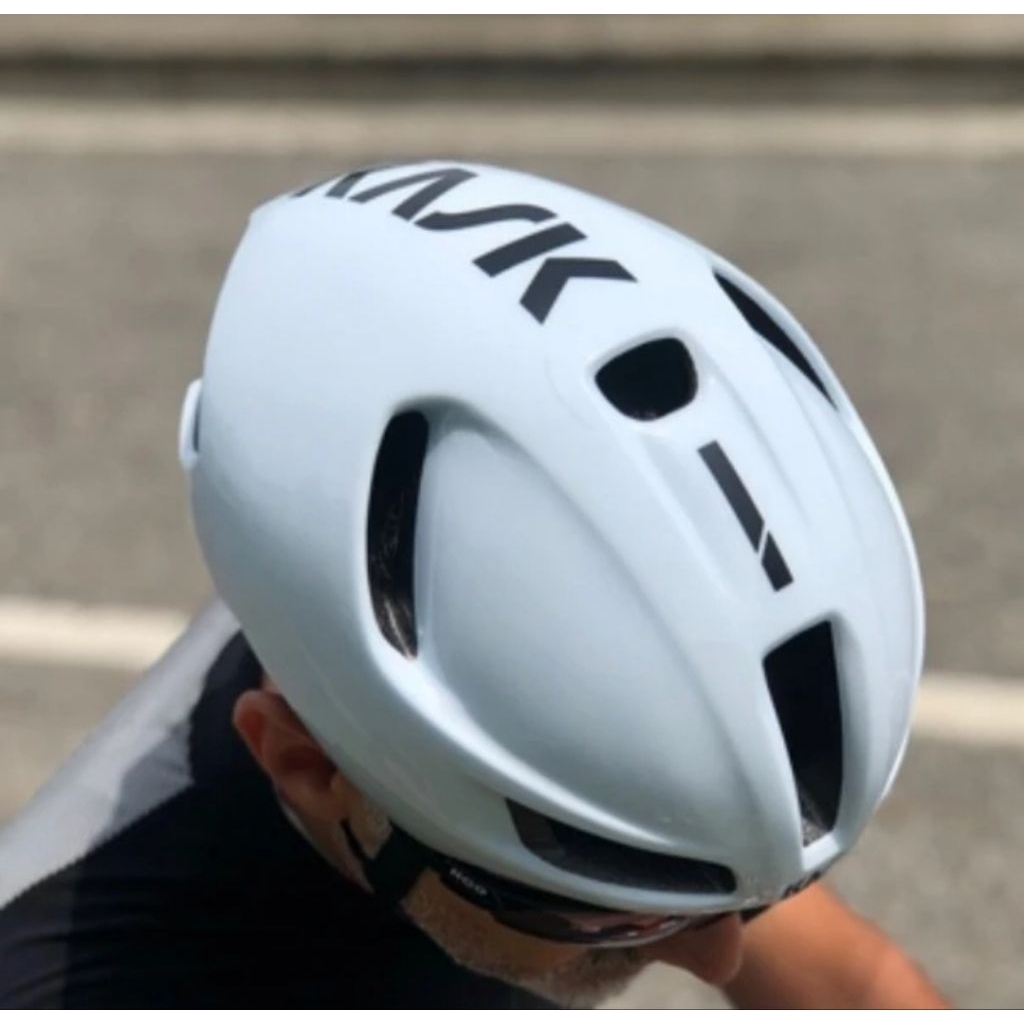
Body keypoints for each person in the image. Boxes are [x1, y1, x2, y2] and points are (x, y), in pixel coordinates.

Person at [0, 161, 948, 1009]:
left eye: (740, 893)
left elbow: (857, 989)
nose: (721, 958)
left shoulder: (480, 718)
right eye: (616, 919)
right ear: (307, 766)